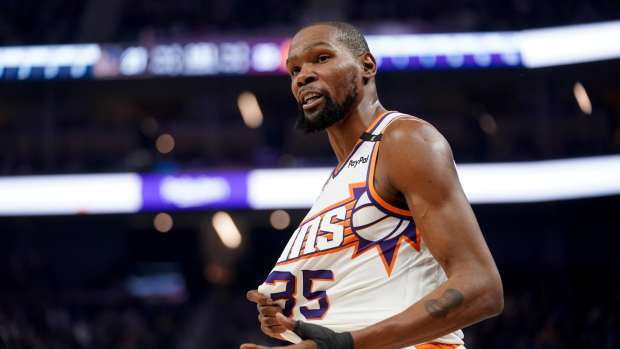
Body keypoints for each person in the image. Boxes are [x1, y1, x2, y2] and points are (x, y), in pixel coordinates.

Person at [241, 22, 503, 349]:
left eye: (321, 58)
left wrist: (346, 344)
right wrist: (294, 322)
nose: (303, 76)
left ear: (367, 66)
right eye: (294, 70)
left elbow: (482, 287)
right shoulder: (338, 179)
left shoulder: (404, 139)